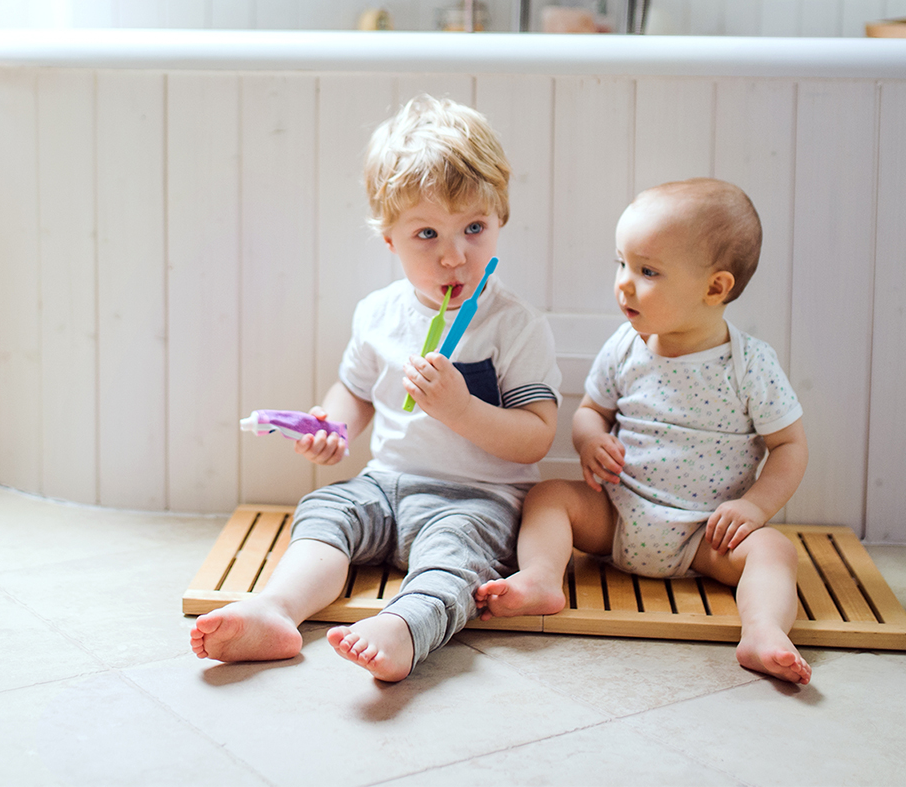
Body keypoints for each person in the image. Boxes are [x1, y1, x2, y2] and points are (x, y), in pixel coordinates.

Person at [190, 95, 562, 682]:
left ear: (499, 221)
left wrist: (461, 409)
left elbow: (536, 439)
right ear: (389, 241)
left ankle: (406, 626)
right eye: (425, 234)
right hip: (386, 485)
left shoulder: (515, 325)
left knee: (455, 558)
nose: (454, 254)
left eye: (474, 227)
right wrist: (333, 427)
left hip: (478, 498)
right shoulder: (378, 314)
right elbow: (356, 390)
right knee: (327, 510)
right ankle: (277, 609)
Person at [476, 178, 812, 685]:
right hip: (617, 516)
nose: (624, 284)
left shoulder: (749, 365)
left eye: (647, 271)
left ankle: (763, 631)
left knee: (774, 551)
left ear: (715, 288)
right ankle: (542, 579)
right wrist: (590, 441)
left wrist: (755, 507)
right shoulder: (625, 346)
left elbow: (789, 446)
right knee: (547, 496)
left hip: (705, 535)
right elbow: (590, 410)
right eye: (622, 264)